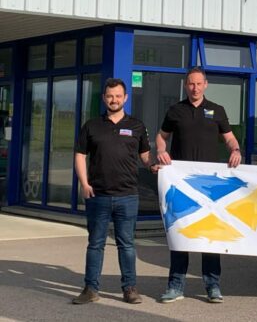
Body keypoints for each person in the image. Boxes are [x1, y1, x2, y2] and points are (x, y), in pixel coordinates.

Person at [157, 67, 242, 304]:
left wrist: (235, 150)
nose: (194, 88)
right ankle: (175, 286)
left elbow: (230, 138)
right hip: (180, 183)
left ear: (206, 84)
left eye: (198, 84)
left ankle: (212, 286)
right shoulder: (175, 111)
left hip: (208, 185)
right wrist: (161, 151)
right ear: (186, 86)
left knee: (210, 235)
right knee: (179, 234)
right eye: (190, 84)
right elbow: (161, 136)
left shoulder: (217, 110)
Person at [73, 78, 158, 305]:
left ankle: (130, 289)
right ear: (104, 98)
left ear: (125, 97)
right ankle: (90, 289)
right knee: (95, 244)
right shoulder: (91, 126)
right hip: (98, 195)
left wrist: (155, 165)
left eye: (118, 96)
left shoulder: (137, 126)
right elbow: (80, 155)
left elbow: (145, 156)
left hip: (128, 195)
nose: (114, 100)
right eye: (110, 96)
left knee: (127, 244)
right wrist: (84, 182)